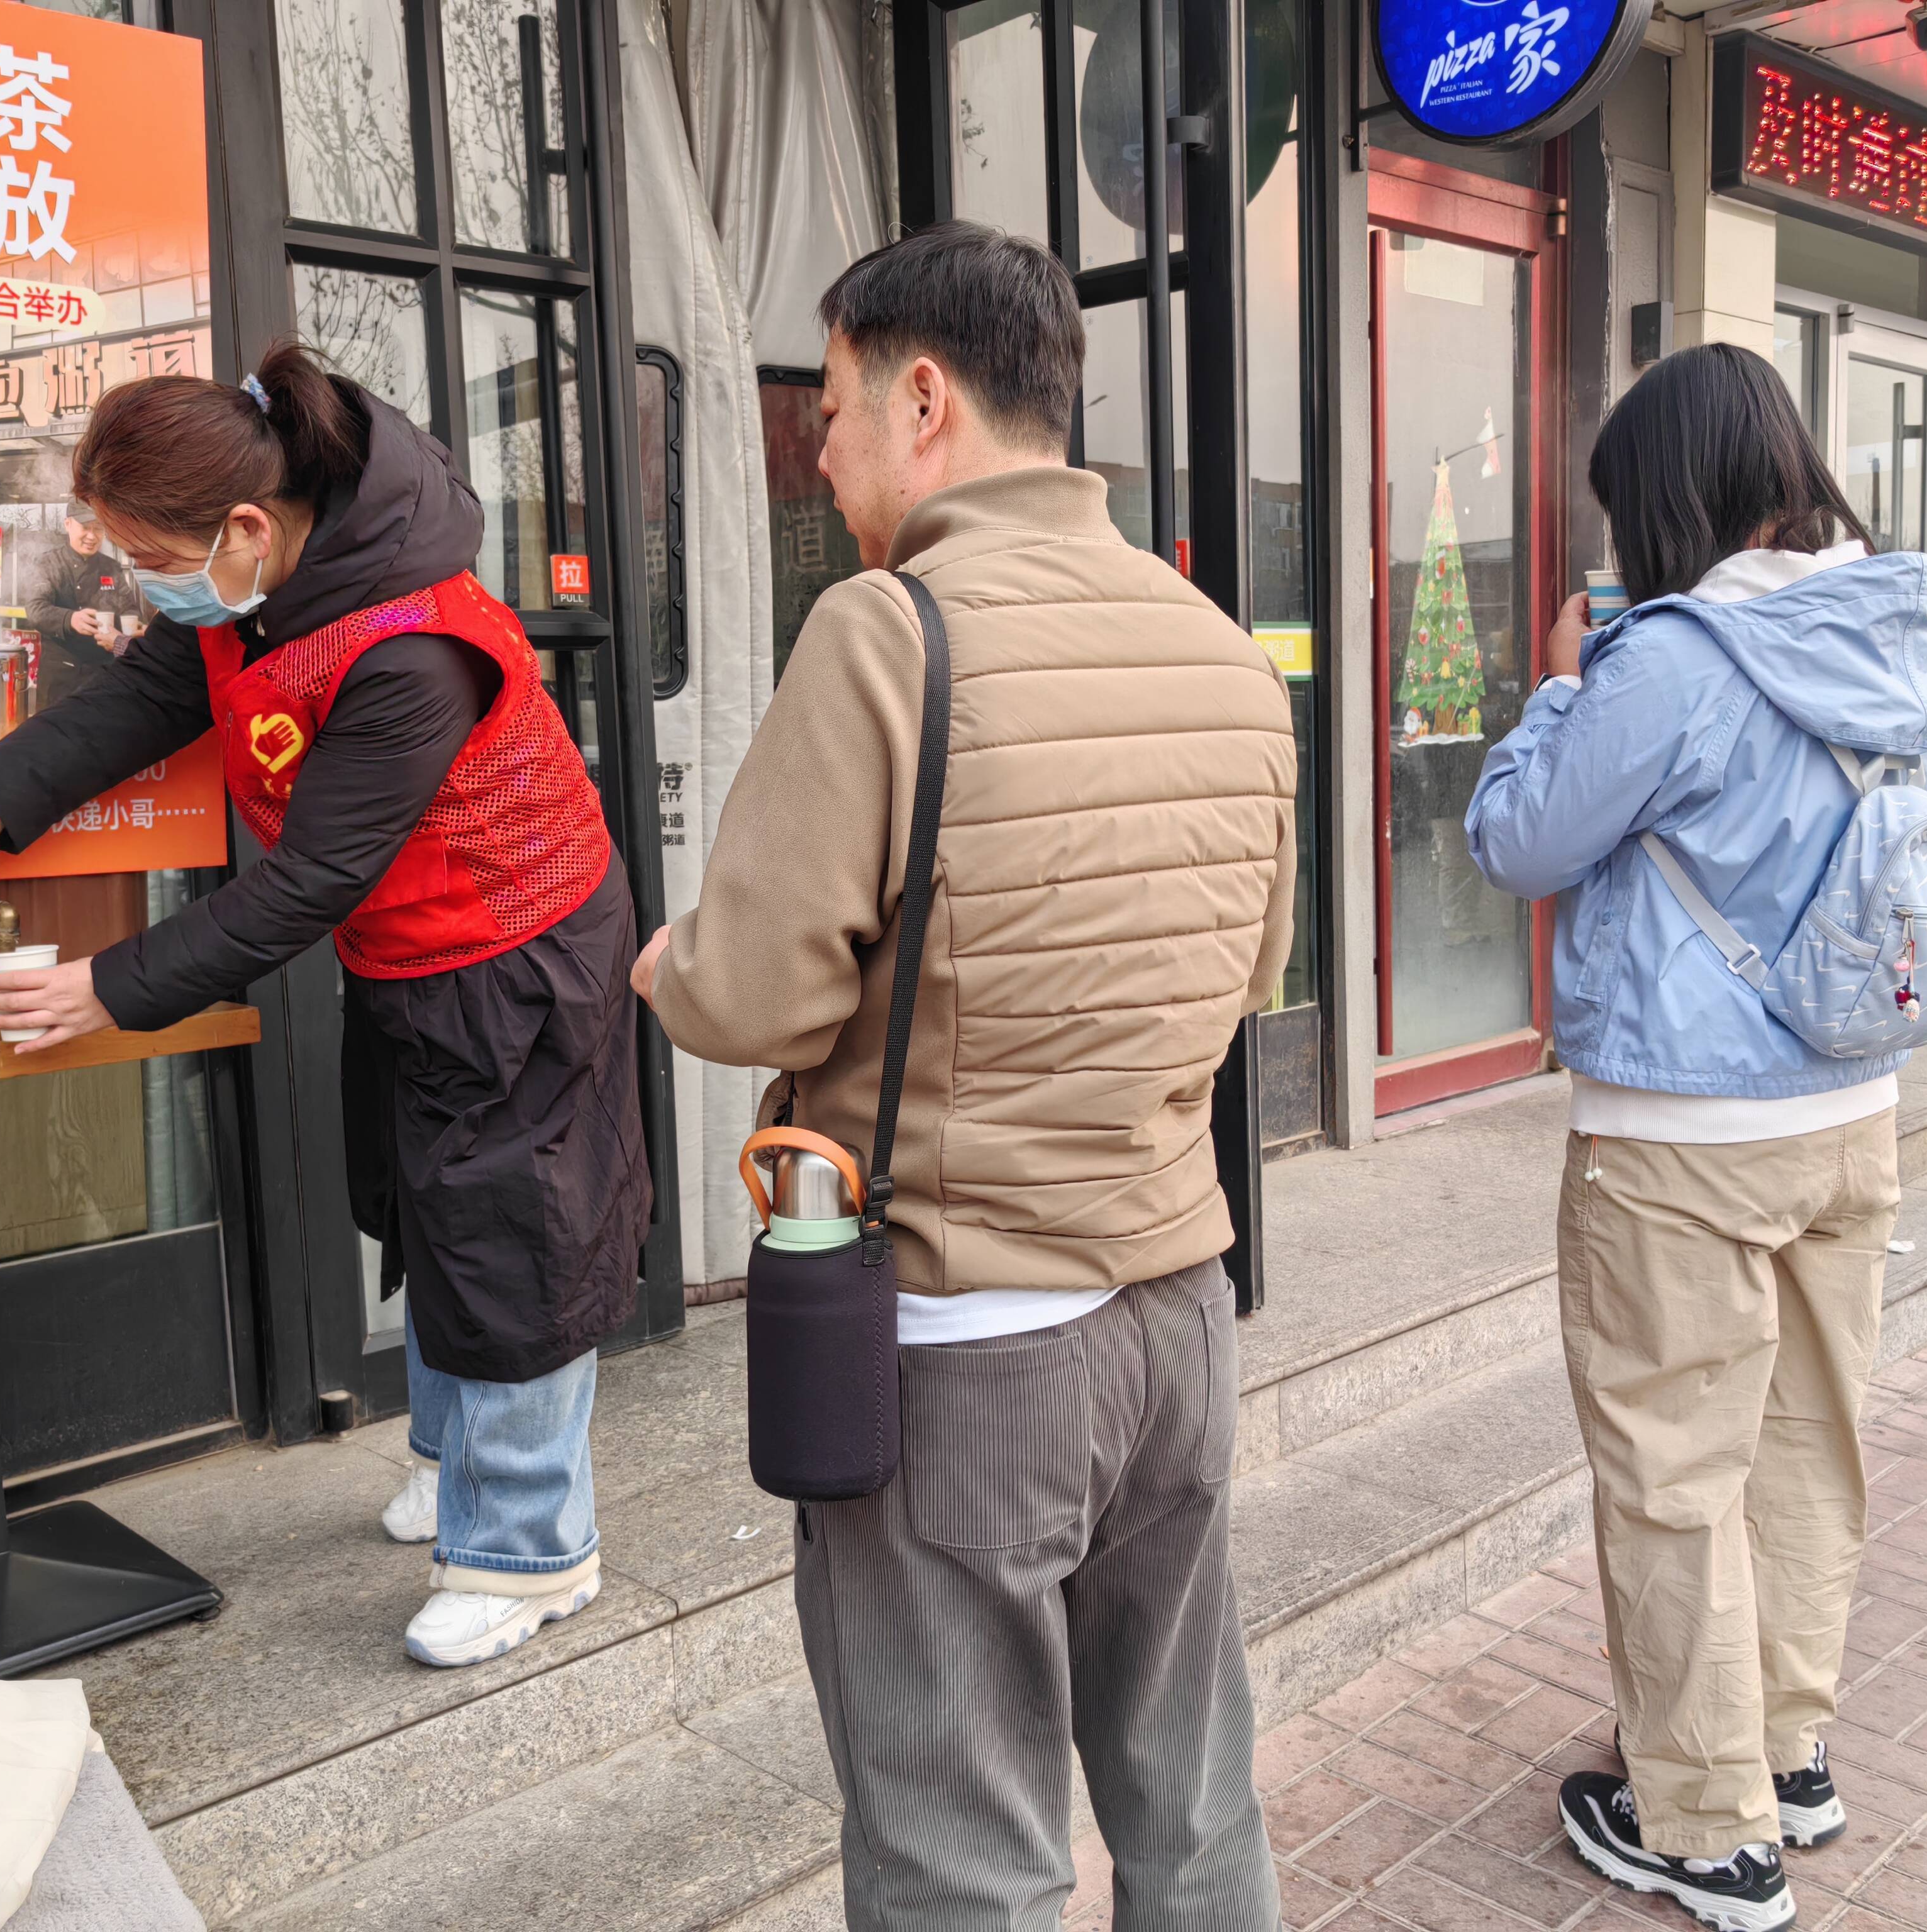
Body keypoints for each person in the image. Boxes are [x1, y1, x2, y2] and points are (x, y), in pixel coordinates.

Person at [634, 224, 1298, 1930]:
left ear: (922, 399)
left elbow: (755, 987)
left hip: (965, 1343)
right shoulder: (1224, 652)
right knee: (1193, 1796)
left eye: (831, 415)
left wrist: (664, 959)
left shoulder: (886, 632)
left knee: (961, 1855)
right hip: (1176, 1314)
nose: (822, 457)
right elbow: (1249, 979)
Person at [0, 341, 652, 1669]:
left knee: (511, 1232)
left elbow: (309, 881)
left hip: (517, 954)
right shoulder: (263, 588)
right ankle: (458, 1466)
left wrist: (107, 990)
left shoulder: (410, 647)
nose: (141, 585)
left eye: (150, 558)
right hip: (411, 947)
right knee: (431, 1204)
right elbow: (151, 692)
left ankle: (533, 1548)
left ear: (245, 526)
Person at [1465, 343, 1927, 1932]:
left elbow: (1518, 840)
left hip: (1681, 1130)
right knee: (1808, 1445)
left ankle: (1702, 1824)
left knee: (1674, 1475)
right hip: (1852, 1107)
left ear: (1667, 499)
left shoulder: (1667, 659)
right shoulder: (1886, 623)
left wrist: (1560, 683)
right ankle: (1785, 1753)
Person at [24, 503, 143, 709]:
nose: (92, 536)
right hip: (61, 676)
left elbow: (129, 608)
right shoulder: (49, 563)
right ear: (68, 524)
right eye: (86, 527)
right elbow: (36, 609)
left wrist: (132, 625)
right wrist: (70, 619)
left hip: (104, 673)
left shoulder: (111, 567)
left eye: (98, 528)